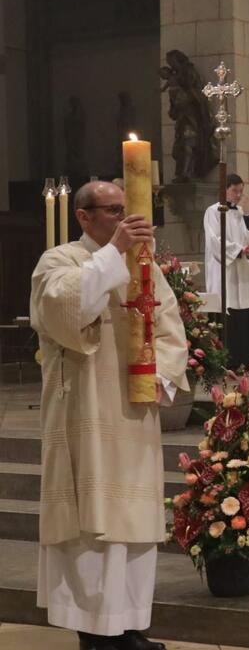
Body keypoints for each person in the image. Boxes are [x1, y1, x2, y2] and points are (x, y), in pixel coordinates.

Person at [31, 181, 189, 650]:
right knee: (92, 528)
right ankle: (95, 633)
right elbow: (63, 308)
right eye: (114, 210)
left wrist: (158, 377)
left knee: (132, 522)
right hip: (87, 412)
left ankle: (129, 626)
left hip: (133, 412)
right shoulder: (58, 261)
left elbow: (169, 323)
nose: (125, 218)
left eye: (129, 209)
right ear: (84, 216)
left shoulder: (145, 266)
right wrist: (115, 252)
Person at [202, 173, 249, 371]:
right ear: (224, 189)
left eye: (241, 191)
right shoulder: (213, 211)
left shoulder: (241, 212)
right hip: (226, 273)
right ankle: (229, 364)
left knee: (247, 319)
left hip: (245, 273)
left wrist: (247, 214)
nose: (238, 195)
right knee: (230, 322)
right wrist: (238, 250)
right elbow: (214, 240)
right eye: (235, 191)